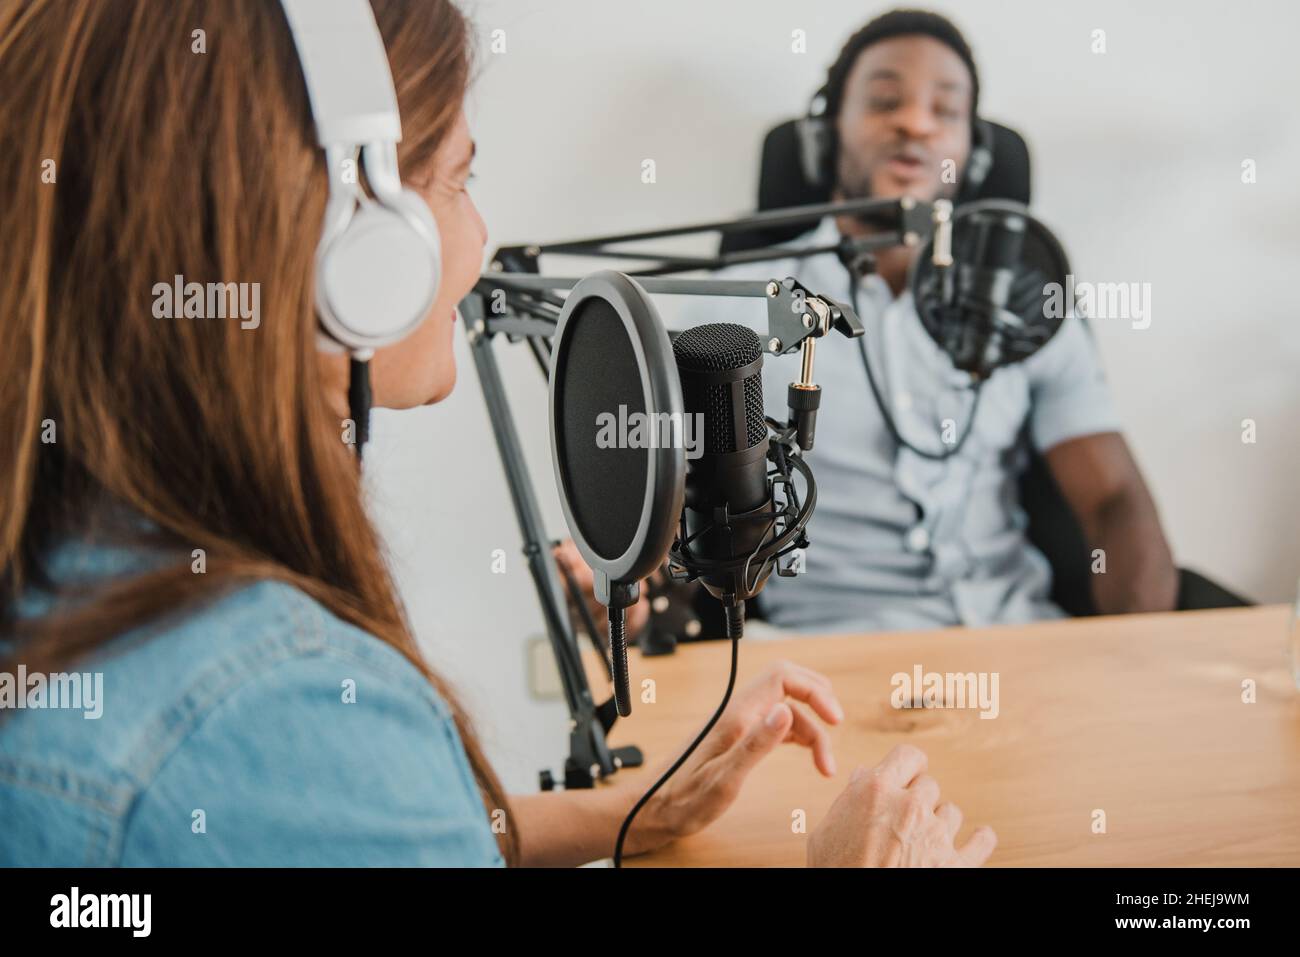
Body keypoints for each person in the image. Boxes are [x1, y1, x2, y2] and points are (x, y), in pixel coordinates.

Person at [0, 0, 994, 868]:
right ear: (358, 250)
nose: (482, 243)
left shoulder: (84, 558)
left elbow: (355, 835)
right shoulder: (270, 708)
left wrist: (625, 814)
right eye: (458, 182)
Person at [649, 9, 1179, 634]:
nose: (916, 123)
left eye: (946, 110)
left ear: (973, 158)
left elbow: (1114, 498)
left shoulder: (1026, 303)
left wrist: (1142, 653)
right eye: (884, 101)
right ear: (825, 135)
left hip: (1023, 639)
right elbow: (673, 512)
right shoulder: (728, 319)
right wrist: (632, 587)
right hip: (832, 664)